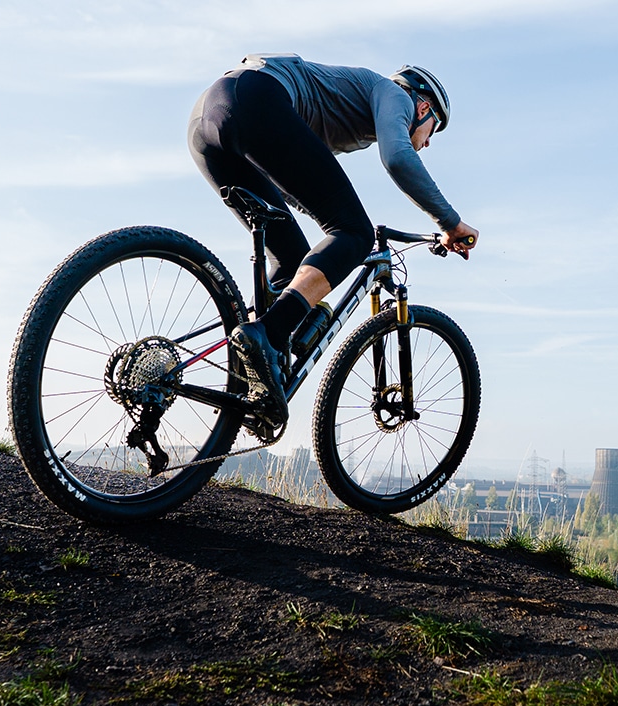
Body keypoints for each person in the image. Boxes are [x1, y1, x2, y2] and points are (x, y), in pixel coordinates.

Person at [188, 54, 478, 427]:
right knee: (356, 233)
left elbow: (292, 186)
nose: (427, 143)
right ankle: (267, 335)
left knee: (295, 261)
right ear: (423, 107)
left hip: (206, 119)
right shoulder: (393, 94)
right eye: (432, 130)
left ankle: (252, 385)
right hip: (253, 99)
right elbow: (400, 159)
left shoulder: (344, 117)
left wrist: (331, 226)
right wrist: (450, 223)